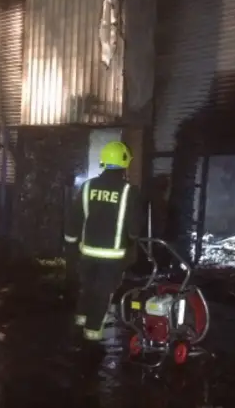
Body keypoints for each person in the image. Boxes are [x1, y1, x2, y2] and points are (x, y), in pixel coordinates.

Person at [64, 140, 143, 347]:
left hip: (87, 252)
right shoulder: (128, 191)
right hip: (113, 257)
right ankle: (92, 334)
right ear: (124, 163)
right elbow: (134, 229)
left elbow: (74, 218)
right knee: (102, 293)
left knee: (87, 287)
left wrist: (70, 245)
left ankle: (80, 320)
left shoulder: (87, 186)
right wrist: (133, 242)